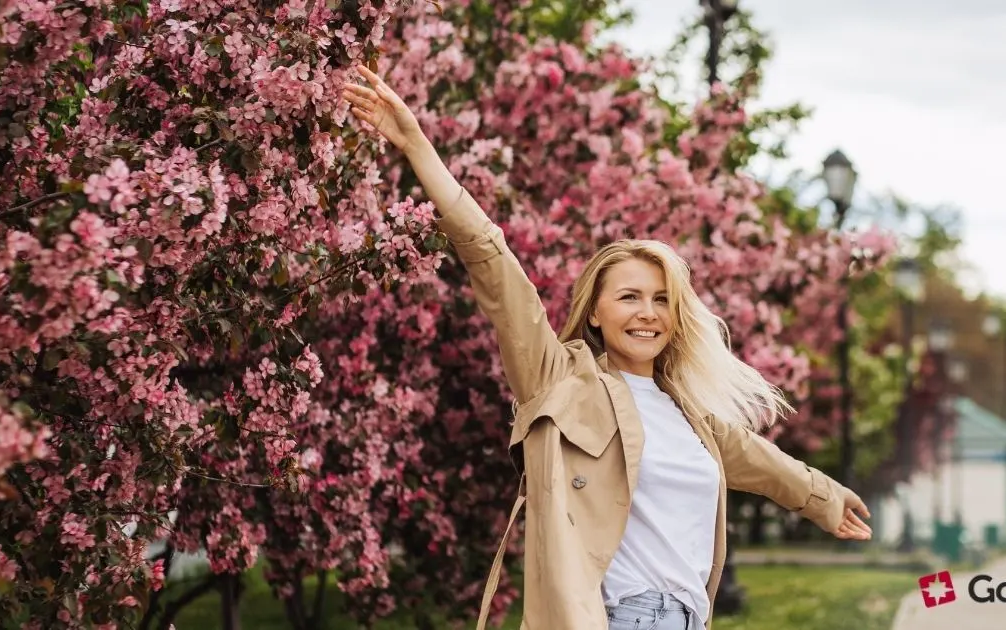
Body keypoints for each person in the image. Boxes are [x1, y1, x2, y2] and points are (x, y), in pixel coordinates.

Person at [343, 65, 873, 630]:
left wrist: (823, 498)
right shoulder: (559, 382)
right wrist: (419, 146)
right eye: (629, 297)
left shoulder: (690, 412)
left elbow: (764, 464)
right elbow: (494, 264)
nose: (647, 312)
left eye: (661, 299)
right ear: (595, 311)